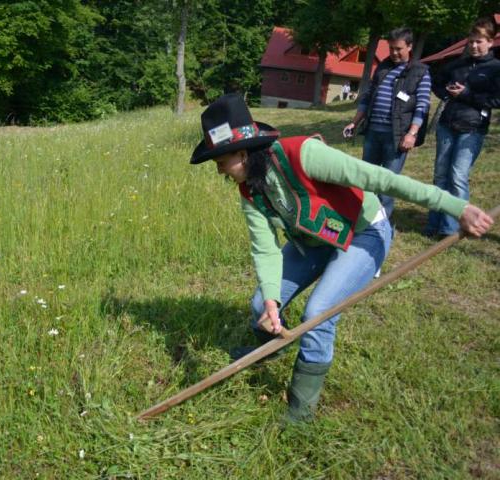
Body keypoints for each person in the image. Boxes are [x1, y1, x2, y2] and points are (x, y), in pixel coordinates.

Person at [190, 93, 493, 423]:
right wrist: (272, 303)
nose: (219, 170)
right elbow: (265, 249)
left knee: (318, 314)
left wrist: (457, 207)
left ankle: (301, 412)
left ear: (242, 153)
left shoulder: (304, 154)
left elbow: (381, 179)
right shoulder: (249, 190)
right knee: (260, 303)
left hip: (363, 232)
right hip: (314, 242)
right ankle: (274, 347)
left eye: (221, 161)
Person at [343, 27, 432, 217]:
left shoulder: (420, 72)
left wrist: (412, 134)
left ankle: (381, 223)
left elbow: (422, 105)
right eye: (391, 48)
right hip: (373, 132)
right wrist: (354, 123)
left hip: (396, 136)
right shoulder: (383, 67)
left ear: (409, 46)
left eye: (398, 49)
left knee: (388, 184)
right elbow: (367, 97)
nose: (394, 52)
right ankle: (363, 219)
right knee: (367, 180)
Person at [424, 18, 500, 237]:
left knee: (457, 177)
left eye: (479, 42)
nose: (474, 46)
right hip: (447, 125)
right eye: (471, 41)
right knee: (440, 176)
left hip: (473, 129)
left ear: (490, 42)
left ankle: (451, 229)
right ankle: (433, 224)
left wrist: (466, 95)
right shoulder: (458, 64)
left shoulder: (496, 68)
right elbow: (436, 81)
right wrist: (447, 93)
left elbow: (497, 99)